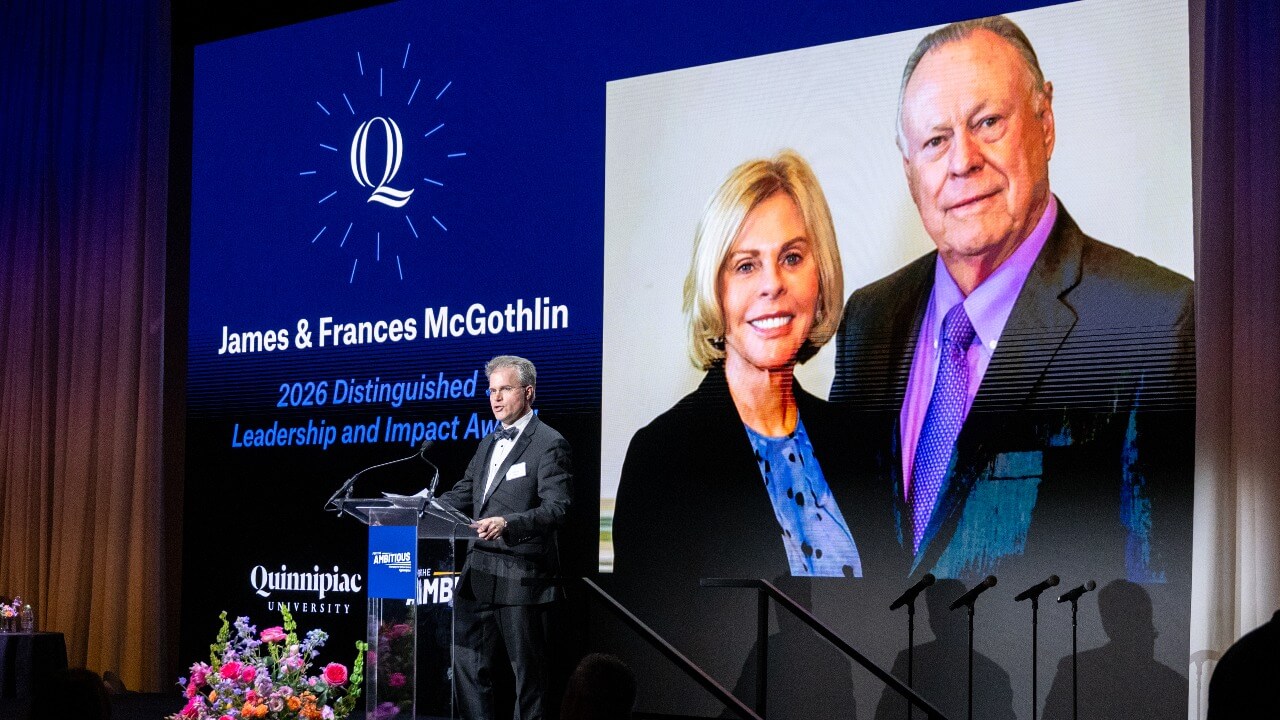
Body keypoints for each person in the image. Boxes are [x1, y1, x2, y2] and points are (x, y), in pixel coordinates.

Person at [831, 16, 1194, 583]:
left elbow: (1156, 593)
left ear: (1045, 122)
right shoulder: (868, 323)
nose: (963, 161)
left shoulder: (1154, 324)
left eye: (988, 122)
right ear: (910, 172)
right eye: (935, 141)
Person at [614, 149, 887, 583]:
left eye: (792, 258)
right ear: (714, 290)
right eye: (746, 266)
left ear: (821, 276)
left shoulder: (863, 444)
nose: (772, 284)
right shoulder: (662, 457)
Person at [437, 355, 573, 720]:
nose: (496, 398)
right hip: (478, 573)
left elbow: (558, 508)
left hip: (521, 578)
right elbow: (465, 492)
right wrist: (425, 508)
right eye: (492, 390)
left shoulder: (549, 443)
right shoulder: (488, 442)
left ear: (528, 393)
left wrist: (508, 523)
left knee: (528, 678)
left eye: (505, 389)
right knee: (466, 666)